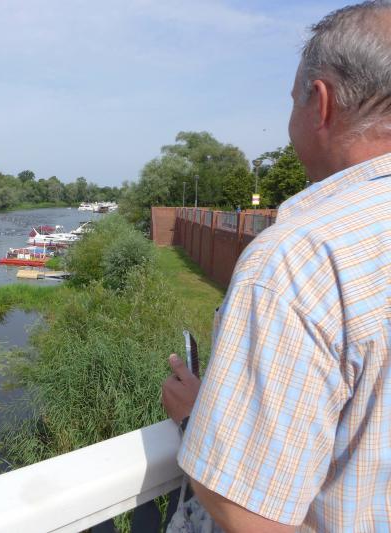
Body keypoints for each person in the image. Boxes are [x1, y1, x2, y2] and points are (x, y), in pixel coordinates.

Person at [162, 2, 391, 531]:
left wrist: (197, 418)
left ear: (320, 103)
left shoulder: (301, 259)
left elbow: (248, 511)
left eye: (292, 99)